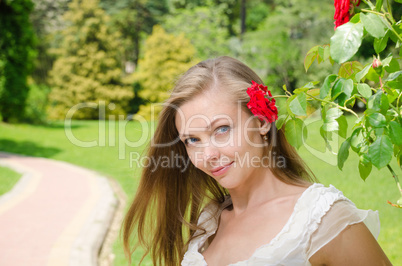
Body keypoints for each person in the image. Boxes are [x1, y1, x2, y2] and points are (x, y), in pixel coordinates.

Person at [122, 56, 391, 266]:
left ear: (261, 121)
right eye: (192, 140)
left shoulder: (322, 219)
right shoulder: (208, 223)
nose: (209, 155)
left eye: (222, 129)